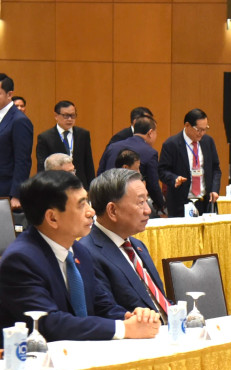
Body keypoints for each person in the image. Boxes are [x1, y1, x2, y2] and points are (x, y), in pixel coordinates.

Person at [0, 170, 160, 341]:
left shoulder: (79, 252)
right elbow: (49, 323)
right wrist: (123, 329)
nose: (91, 212)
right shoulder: (20, 260)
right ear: (52, 218)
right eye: (81, 204)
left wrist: (131, 317)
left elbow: (102, 305)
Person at [77, 169, 170, 317]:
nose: (148, 210)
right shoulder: (87, 253)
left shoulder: (137, 245)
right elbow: (107, 312)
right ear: (112, 210)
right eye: (141, 202)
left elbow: (159, 301)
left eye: (147, 200)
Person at [158, 109, 222, 217]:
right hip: (181, 203)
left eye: (205, 129)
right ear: (187, 125)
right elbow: (162, 171)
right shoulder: (171, 144)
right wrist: (174, 178)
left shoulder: (208, 142)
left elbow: (216, 168)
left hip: (204, 203)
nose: (202, 133)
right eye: (199, 130)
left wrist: (215, 190)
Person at [98, 115, 165, 214]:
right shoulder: (150, 152)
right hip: (130, 207)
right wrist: (161, 207)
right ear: (150, 133)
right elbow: (153, 185)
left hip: (105, 204)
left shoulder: (112, 146)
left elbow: (100, 173)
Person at [35, 100, 95, 189]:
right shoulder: (45, 137)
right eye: (66, 116)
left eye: (73, 115)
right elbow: (42, 167)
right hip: (56, 185)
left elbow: (88, 163)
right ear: (56, 116)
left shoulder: (83, 134)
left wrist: (91, 187)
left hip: (80, 184)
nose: (70, 119)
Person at [0, 73, 34, 209]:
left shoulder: (19, 120)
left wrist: (17, 194)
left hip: (5, 189)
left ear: (9, 94)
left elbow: (23, 160)